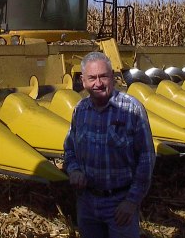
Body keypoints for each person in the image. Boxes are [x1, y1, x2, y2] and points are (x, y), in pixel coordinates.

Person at [63, 51, 156, 238]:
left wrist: (132, 202)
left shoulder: (132, 109)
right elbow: (69, 148)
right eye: (92, 78)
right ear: (83, 81)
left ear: (112, 77)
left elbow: (146, 159)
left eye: (103, 76)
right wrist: (73, 170)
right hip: (87, 203)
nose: (98, 83)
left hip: (120, 204)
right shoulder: (80, 111)